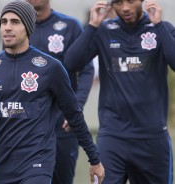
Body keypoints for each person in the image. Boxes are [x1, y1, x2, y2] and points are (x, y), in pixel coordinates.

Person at [0, 1, 105, 184]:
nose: (7, 27)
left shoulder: (50, 67)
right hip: (2, 162)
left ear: (28, 27)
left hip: (38, 161)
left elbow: (74, 115)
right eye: (4, 22)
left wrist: (94, 159)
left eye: (15, 22)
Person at [64, 0, 175, 183]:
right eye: (118, 2)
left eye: (130, 1)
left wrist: (159, 25)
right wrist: (92, 26)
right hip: (112, 137)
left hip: (152, 137)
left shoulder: (160, 28)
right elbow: (71, 63)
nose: (125, 8)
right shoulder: (104, 31)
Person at [26, 0, 95, 183]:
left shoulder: (69, 26)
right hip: (27, 126)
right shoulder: (17, 27)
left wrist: (76, 108)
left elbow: (87, 69)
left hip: (62, 125)